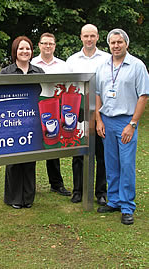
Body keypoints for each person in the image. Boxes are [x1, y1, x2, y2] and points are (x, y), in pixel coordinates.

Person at [96, 29, 148, 225]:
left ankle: (127, 206)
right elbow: (98, 94)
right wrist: (98, 120)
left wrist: (133, 124)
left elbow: (143, 96)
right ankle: (114, 200)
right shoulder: (102, 67)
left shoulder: (137, 66)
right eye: (112, 42)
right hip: (106, 121)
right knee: (111, 164)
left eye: (119, 42)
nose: (116, 46)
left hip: (126, 121)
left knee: (126, 164)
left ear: (126, 44)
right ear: (108, 45)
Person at [66, 24, 110, 204]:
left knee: (102, 154)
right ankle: (78, 191)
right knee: (78, 153)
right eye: (86, 36)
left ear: (98, 37)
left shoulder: (107, 59)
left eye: (92, 36)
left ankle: (101, 192)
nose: (89, 39)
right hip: (79, 112)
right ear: (81, 37)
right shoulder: (72, 61)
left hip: (101, 112)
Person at [0, 36, 45, 209]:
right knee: (13, 160)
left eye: (27, 49)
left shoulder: (39, 71)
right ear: (15, 52)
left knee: (30, 159)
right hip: (12, 121)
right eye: (21, 49)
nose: (24, 51)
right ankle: (14, 198)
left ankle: (28, 198)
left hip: (32, 120)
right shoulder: (6, 72)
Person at [31, 32, 71, 197]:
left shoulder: (63, 65)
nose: (47, 46)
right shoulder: (31, 63)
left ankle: (56, 184)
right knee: (31, 146)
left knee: (53, 145)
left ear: (55, 46)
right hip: (34, 108)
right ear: (39, 45)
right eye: (44, 43)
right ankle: (29, 185)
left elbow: (69, 87)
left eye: (51, 44)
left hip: (55, 108)